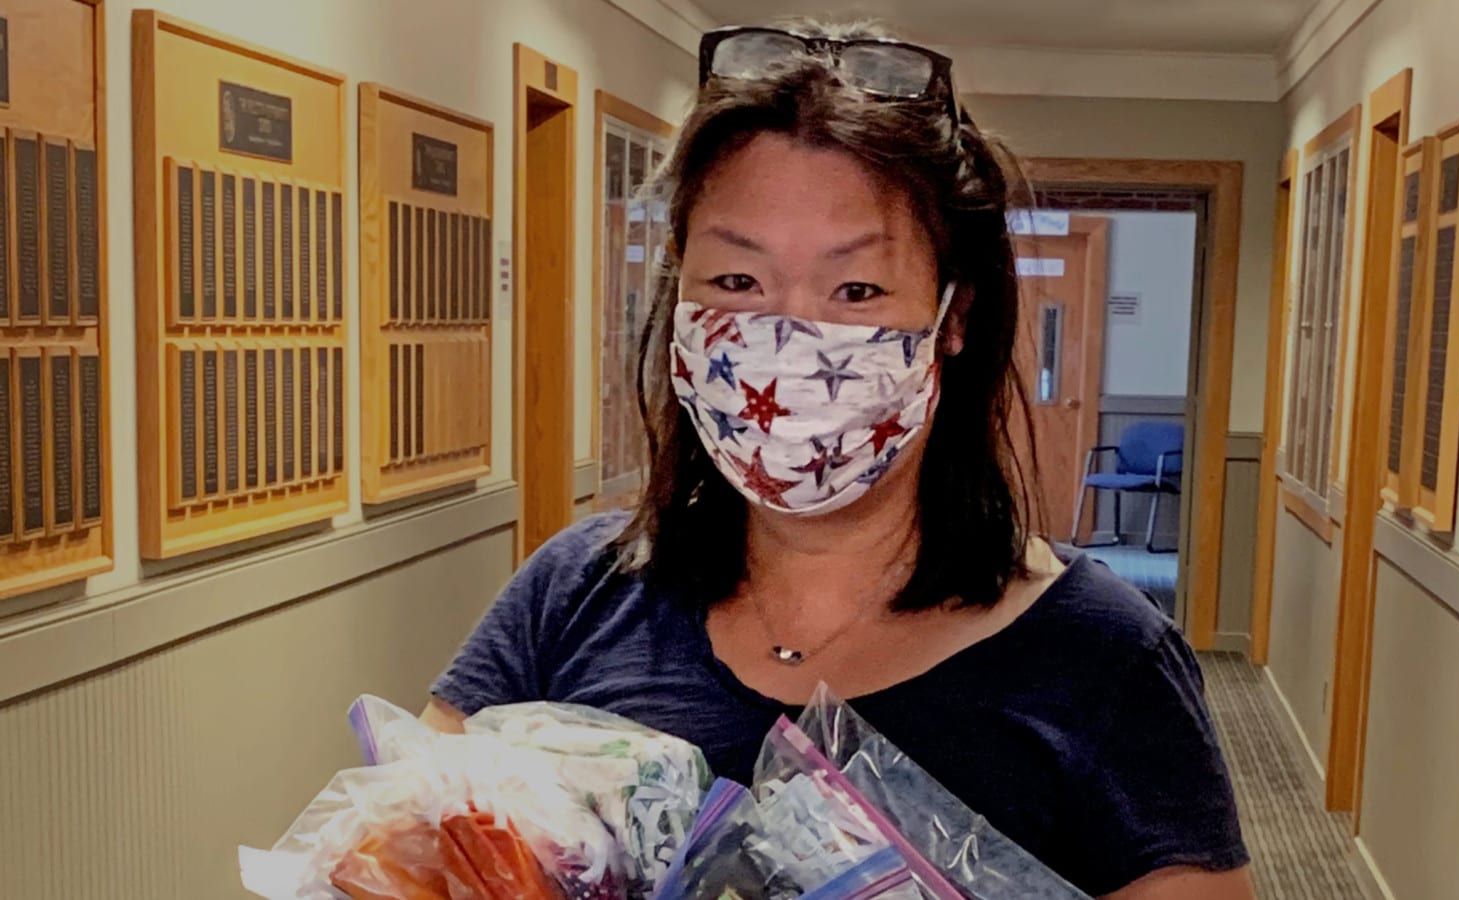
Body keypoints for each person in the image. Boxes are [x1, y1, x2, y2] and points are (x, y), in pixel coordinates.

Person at [424, 21, 1251, 899]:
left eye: (857, 290)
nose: (787, 337)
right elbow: (401, 855)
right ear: (680, 299)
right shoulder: (571, 596)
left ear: (953, 317)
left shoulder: (1105, 660)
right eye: (737, 283)